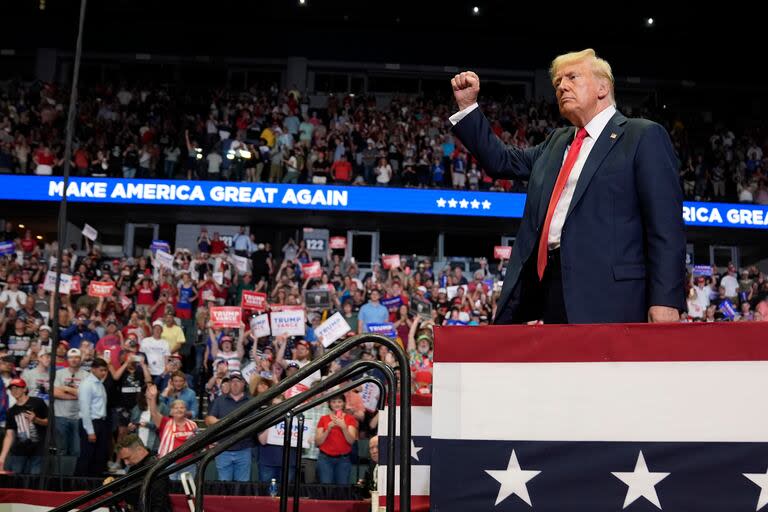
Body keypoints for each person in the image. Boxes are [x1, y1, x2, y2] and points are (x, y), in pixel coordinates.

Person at [449, 48, 685, 324]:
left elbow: (665, 227)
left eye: (572, 77)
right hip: (551, 291)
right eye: (558, 82)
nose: (561, 86)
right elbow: (501, 161)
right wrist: (468, 107)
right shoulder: (556, 142)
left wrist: (665, 299)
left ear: (602, 87)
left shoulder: (641, 136)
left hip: (612, 298)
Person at [204, 371, 253, 481]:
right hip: (223, 449)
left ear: (244, 383)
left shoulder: (251, 401)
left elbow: (256, 422)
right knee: (223, 485)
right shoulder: (220, 400)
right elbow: (208, 419)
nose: (235, 383)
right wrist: (225, 422)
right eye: (232, 381)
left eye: (238, 381)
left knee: (242, 486)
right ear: (229, 383)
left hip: (243, 449)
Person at [146, 384, 198, 480]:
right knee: (169, 490)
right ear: (171, 411)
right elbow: (154, 412)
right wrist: (153, 398)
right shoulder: (164, 422)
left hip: (189, 463)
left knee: (187, 491)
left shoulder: (193, 425)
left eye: (182, 407)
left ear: (186, 410)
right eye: (176, 408)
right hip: (168, 463)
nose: (179, 410)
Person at [0, 378, 48, 474]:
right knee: (16, 479)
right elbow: (9, 435)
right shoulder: (11, 411)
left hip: (38, 449)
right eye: (12, 389)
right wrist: (2, 457)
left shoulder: (38, 402)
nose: (14, 391)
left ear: (25, 389)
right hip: (19, 451)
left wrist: (36, 419)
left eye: (17, 388)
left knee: (35, 479)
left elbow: (49, 422)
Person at [114, 435, 172, 512]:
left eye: (127, 458)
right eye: (123, 460)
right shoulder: (137, 466)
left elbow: (158, 504)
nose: (126, 463)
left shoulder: (155, 469)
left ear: (139, 450)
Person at [75, 357, 109, 476]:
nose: (104, 373)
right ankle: (79, 486)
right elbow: (85, 410)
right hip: (91, 423)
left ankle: (93, 487)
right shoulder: (87, 384)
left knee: (99, 456)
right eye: (101, 370)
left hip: (100, 422)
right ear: (93, 369)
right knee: (87, 456)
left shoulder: (99, 383)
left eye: (105, 370)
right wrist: (90, 431)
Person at [315, 394, 358, 484]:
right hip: (325, 459)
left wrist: (343, 427)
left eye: (339, 401)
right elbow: (318, 442)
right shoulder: (324, 419)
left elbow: (351, 441)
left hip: (343, 459)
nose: (337, 404)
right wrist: (328, 429)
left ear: (344, 403)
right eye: (333, 402)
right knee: (326, 488)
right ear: (330, 404)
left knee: (342, 490)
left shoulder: (350, 419)